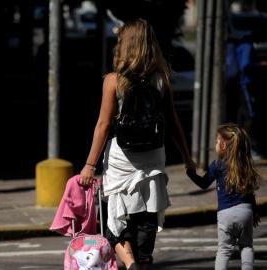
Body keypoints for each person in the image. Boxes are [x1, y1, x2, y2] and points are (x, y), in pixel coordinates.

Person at [79, 19, 196, 270]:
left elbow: (103, 125)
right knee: (146, 220)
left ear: (124, 45)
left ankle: (130, 262)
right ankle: (141, 263)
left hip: (121, 160)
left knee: (115, 220)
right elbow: (173, 122)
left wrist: (89, 165)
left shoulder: (113, 81)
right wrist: (187, 158)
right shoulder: (162, 78)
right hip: (153, 159)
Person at [186, 123, 260, 270]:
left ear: (224, 146)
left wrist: (190, 172)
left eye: (216, 141)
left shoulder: (218, 164)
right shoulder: (245, 165)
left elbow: (204, 183)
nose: (215, 144)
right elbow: (250, 192)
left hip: (225, 214)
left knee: (224, 250)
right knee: (246, 247)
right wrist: (255, 211)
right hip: (246, 212)